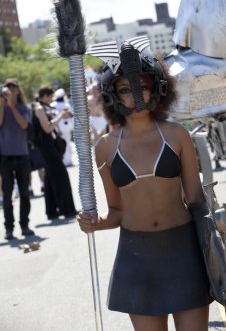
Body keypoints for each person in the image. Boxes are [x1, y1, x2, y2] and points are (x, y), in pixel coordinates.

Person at [77, 39, 213, 331]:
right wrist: (94, 222)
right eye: (126, 89)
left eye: (143, 85)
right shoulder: (105, 148)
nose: (136, 96)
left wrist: (214, 257)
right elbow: (116, 211)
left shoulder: (176, 135)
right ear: (112, 95)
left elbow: (196, 201)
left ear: (158, 87)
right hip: (136, 260)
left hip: (185, 254)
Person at [34, 86, 77, 220]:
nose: (52, 99)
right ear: (45, 96)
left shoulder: (43, 108)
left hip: (47, 146)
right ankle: (67, 210)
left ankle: (51, 211)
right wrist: (60, 116)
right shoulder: (39, 108)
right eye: (51, 97)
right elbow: (47, 129)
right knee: (60, 177)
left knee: (49, 179)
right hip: (47, 147)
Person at [0, 78, 34, 240]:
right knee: (7, 195)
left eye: (14, 88)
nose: (11, 90)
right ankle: (9, 228)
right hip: (5, 157)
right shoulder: (1, 107)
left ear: (18, 91)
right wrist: (2, 104)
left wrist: (12, 105)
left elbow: (23, 125)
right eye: (8, 88)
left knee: (24, 193)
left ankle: (25, 225)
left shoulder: (23, 107)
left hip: (22, 156)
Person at [51, 88, 74, 166]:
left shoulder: (53, 105)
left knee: (61, 144)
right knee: (66, 144)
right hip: (64, 127)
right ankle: (66, 160)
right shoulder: (66, 104)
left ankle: (65, 160)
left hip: (59, 127)